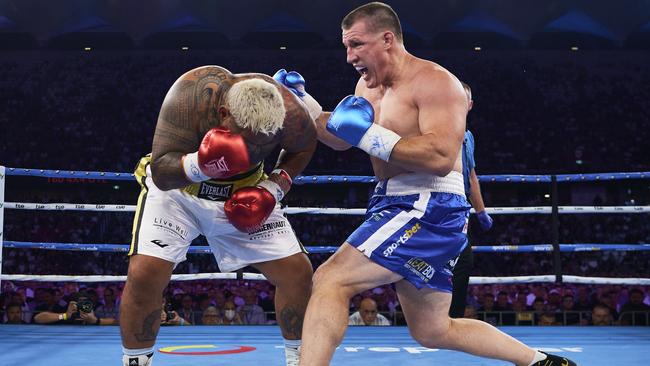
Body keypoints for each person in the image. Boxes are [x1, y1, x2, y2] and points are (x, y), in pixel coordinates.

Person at [274, 3, 576, 365]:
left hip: (428, 203)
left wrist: (369, 135)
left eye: (356, 45)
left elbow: (440, 155)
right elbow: (342, 135)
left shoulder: (436, 81)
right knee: (432, 329)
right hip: (393, 202)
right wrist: (301, 105)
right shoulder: (367, 85)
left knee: (330, 279)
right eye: (346, 47)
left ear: (387, 39)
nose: (349, 56)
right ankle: (539, 361)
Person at [119, 65, 317, 366]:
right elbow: (160, 172)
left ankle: (299, 360)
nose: (253, 150)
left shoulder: (288, 110)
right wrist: (202, 164)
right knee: (144, 272)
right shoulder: (190, 95)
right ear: (224, 114)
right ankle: (136, 362)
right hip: (179, 193)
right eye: (247, 139)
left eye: (262, 143)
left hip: (246, 191)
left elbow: (304, 147)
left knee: (298, 273)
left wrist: (272, 190)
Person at [449, 81, 493, 319]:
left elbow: (472, 176)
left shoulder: (468, 137)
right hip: (440, 204)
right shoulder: (439, 130)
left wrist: (481, 211)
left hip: (461, 207)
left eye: (461, 99)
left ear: (469, 105)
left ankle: (452, 319)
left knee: (462, 262)